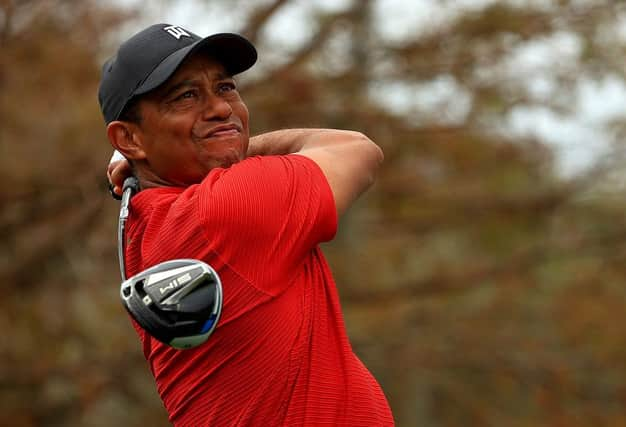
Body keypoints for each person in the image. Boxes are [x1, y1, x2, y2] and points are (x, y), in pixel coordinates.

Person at [100, 23, 393, 426]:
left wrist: (217, 141)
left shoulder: (147, 220)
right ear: (128, 139)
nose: (221, 108)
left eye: (225, 88)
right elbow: (357, 150)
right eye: (185, 96)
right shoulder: (223, 211)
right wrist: (231, 141)